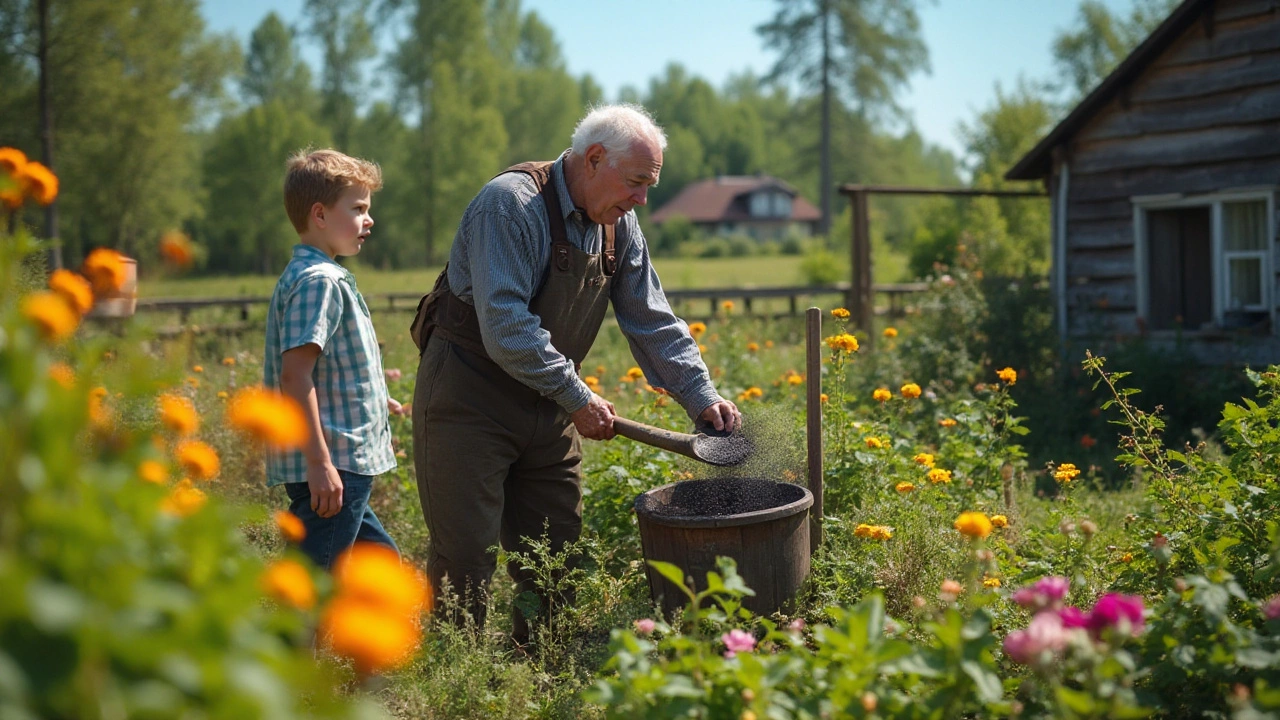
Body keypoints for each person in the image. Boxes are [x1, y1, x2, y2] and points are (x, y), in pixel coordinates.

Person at [410, 104, 741, 642]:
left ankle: (539, 669)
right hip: (468, 400)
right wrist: (576, 396)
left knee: (555, 550)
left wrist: (700, 396)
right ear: (592, 160)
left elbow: (651, 319)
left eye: (648, 185)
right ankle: (454, 682)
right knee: (466, 552)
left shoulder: (620, 225)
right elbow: (506, 326)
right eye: (635, 182)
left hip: (547, 405)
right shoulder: (509, 206)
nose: (642, 199)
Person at [265, 148, 406, 570]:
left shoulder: (318, 274)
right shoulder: (319, 282)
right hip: (334, 465)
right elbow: (295, 376)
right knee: (310, 589)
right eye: (358, 208)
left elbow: (327, 368)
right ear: (320, 215)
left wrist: (376, 398)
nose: (369, 219)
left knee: (381, 565)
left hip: (339, 463)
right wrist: (320, 463)